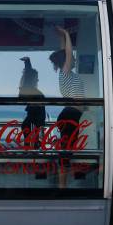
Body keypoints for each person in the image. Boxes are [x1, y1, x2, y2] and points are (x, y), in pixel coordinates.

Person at [49, 24, 86, 187]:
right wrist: (66, 33)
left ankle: (63, 185)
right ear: (66, 62)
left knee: (66, 152)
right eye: (71, 59)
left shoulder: (67, 74)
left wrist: (61, 38)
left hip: (72, 115)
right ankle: (62, 187)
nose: (74, 59)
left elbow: (66, 53)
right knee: (65, 153)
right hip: (70, 116)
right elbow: (69, 54)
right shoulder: (65, 73)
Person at [18, 57, 45, 149]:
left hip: (36, 114)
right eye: (36, 78)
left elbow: (28, 73)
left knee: (26, 126)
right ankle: (32, 145)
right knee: (28, 127)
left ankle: (29, 145)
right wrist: (27, 62)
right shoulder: (31, 89)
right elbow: (28, 73)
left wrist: (27, 62)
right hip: (37, 114)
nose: (37, 80)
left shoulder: (29, 89)